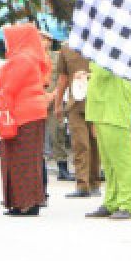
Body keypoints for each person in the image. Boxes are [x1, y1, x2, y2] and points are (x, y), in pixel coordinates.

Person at [0, 25, 51, 217]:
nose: (6, 43)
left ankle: (26, 202)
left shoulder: (22, 59)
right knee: (25, 158)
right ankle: (22, 202)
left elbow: (9, 87)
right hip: (29, 114)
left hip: (24, 115)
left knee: (22, 159)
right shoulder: (30, 57)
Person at [84, 62, 131, 220]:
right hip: (102, 111)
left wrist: (91, 70)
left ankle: (127, 203)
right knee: (109, 163)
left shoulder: (114, 52)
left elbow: (103, 72)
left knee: (122, 161)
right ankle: (111, 201)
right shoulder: (102, 53)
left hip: (113, 112)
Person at [52, 44, 100, 198]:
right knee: (80, 144)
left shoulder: (98, 44)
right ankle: (82, 185)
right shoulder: (67, 49)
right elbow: (63, 79)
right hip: (75, 103)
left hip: (97, 102)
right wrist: (58, 103)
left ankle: (94, 183)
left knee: (95, 144)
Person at [42, 33, 73, 182]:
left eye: (46, 40)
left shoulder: (57, 57)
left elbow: (62, 78)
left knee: (57, 133)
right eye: (40, 39)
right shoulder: (32, 58)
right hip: (37, 101)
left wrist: (55, 95)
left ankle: (62, 168)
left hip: (54, 100)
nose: (43, 43)